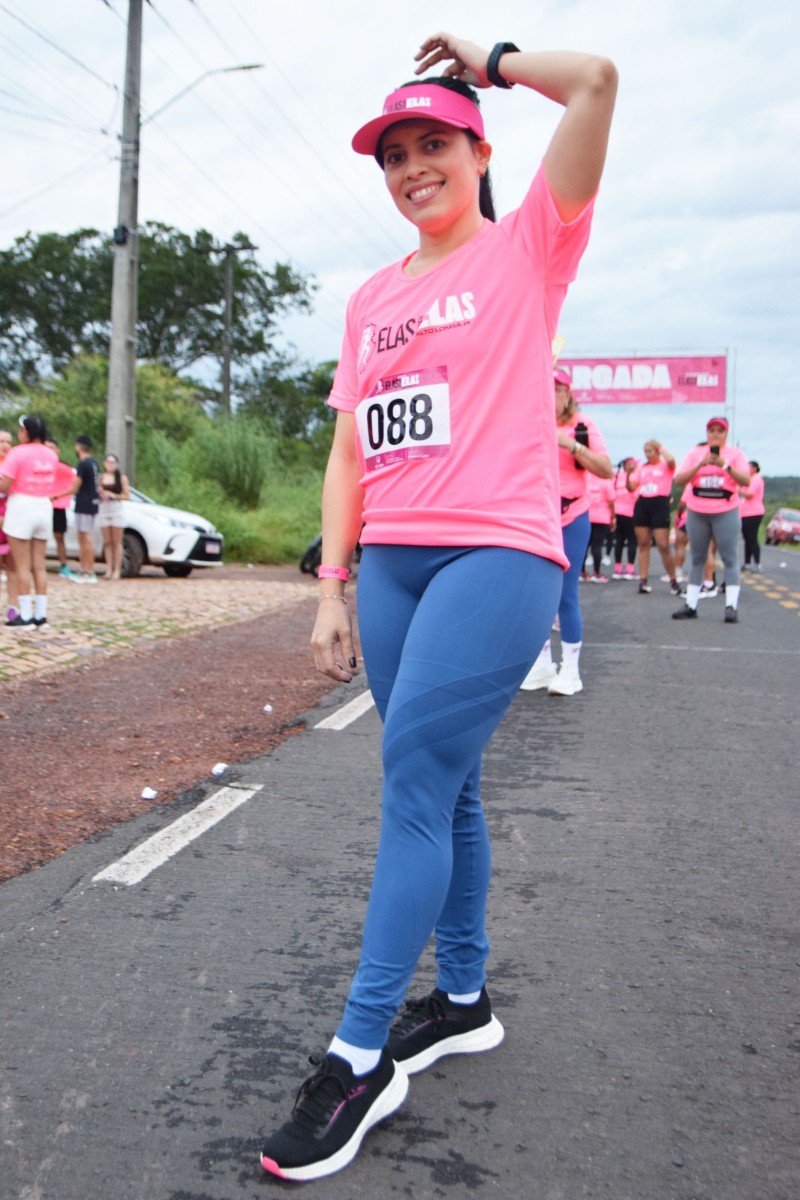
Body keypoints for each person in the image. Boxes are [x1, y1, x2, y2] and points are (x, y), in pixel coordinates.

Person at [258, 33, 618, 1182]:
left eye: (433, 145)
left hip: (497, 556)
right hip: (394, 565)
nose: (413, 167)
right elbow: (350, 451)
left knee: (413, 785)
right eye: (395, 153)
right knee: (440, 783)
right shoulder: (370, 299)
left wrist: (491, 56)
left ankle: (358, 1053)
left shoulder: (526, 250)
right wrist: (332, 584)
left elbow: (598, 82)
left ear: (476, 152)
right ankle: (460, 997)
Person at [519, 370, 613, 695]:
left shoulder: (582, 424)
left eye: (556, 389)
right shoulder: (529, 420)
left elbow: (605, 469)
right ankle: (543, 665)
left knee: (565, 594)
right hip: (535, 517)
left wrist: (571, 444)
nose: (550, 394)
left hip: (572, 515)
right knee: (535, 594)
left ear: (568, 394)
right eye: (544, 386)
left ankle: (570, 670)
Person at [672, 416, 750, 623]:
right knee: (697, 557)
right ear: (707, 433)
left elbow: (746, 480)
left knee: (729, 558)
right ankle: (691, 604)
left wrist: (725, 466)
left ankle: (731, 606)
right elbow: (679, 480)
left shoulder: (735, 454)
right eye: (712, 430)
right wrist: (699, 465)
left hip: (725, 511)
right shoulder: (696, 453)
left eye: (720, 431)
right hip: (698, 510)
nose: (715, 434)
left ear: (726, 433)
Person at [0, 415, 59, 628]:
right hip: (43, 506)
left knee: (22, 565)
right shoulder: (50, 454)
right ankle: (41, 616)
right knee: (39, 566)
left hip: (22, 506)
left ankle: (25, 616)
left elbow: (5, 484)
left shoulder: (17, 453)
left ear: (26, 432)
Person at [627, 440, 681, 595]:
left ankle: (673, 580)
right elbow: (632, 487)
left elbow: (671, 460)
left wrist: (661, 447)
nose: (648, 454)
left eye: (651, 451)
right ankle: (643, 580)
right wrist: (629, 473)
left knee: (663, 544)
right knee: (643, 543)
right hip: (643, 502)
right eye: (645, 451)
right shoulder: (641, 468)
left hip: (659, 502)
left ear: (657, 451)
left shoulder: (665, 466)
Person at [52, 435, 99, 583]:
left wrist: (56, 495)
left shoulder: (83, 464)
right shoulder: (94, 463)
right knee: (83, 537)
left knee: (85, 538)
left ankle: (89, 571)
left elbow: (75, 487)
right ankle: (85, 569)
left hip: (84, 504)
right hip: (91, 502)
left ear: (78, 447)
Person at [45, 438, 78, 579]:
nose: (49, 451)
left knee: (59, 537)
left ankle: (63, 565)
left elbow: (77, 483)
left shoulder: (66, 469)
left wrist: (58, 496)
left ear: (58, 450)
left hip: (58, 506)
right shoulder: (37, 466)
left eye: (52, 447)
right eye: (46, 448)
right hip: (41, 506)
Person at [98, 453, 130, 580]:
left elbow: (127, 496)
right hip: (104, 509)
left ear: (116, 464)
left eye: (113, 462)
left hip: (116, 509)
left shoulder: (121, 478)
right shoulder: (101, 478)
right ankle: (108, 569)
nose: (110, 465)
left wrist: (113, 495)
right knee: (107, 542)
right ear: (104, 464)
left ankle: (117, 570)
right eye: (108, 462)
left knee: (117, 542)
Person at [0, 427, 20, 622]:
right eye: (1, 442)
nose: (5, 446)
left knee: (12, 567)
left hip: (12, 522)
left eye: (9, 442)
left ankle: (12, 606)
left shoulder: (15, 469)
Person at [586, 469, 615, 582]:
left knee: (586, 545)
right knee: (597, 545)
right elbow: (611, 502)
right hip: (602, 517)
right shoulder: (605, 481)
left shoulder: (587, 478)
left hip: (587, 516)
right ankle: (596, 573)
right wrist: (613, 517)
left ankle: (582, 572)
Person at [611, 457, 638, 578]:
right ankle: (630, 568)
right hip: (631, 512)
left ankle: (617, 568)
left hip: (618, 511)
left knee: (619, 540)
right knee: (632, 540)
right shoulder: (633, 476)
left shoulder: (617, 475)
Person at [739, 461, 764, 571]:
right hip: (745, 513)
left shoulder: (756, 479)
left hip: (753, 513)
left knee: (752, 538)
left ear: (754, 468)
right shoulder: (749, 479)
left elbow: (750, 494)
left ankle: (757, 563)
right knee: (747, 539)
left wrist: (738, 491)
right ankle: (747, 562)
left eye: (748, 467)